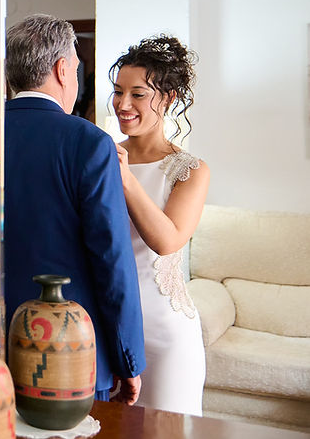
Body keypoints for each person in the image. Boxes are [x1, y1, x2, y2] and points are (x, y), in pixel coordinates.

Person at [0, 13, 146, 404]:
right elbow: (112, 260)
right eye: (77, 68)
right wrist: (128, 358)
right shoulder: (90, 143)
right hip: (71, 352)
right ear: (62, 68)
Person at [111, 35, 209, 415]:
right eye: (119, 92)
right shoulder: (102, 155)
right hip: (109, 329)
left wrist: (126, 178)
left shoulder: (190, 170)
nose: (123, 104)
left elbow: (167, 240)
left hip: (167, 336)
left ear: (166, 98)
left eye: (137, 94)